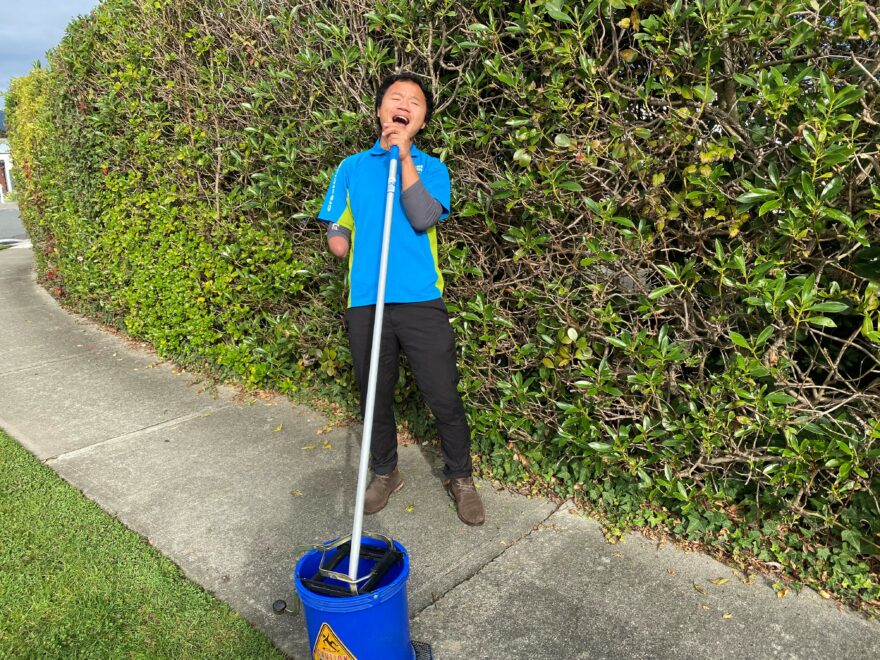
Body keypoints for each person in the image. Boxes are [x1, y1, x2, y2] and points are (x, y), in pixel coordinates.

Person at [317, 72, 484, 526]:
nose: (405, 102)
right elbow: (336, 221)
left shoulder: (432, 168)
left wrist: (405, 157)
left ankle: (460, 476)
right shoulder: (352, 167)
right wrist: (338, 234)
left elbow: (424, 216)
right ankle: (386, 472)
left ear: (421, 120)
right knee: (375, 396)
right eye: (396, 97)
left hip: (418, 299)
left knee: (443, 394)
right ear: (380, 110)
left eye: (415, 101)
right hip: (367, 301)